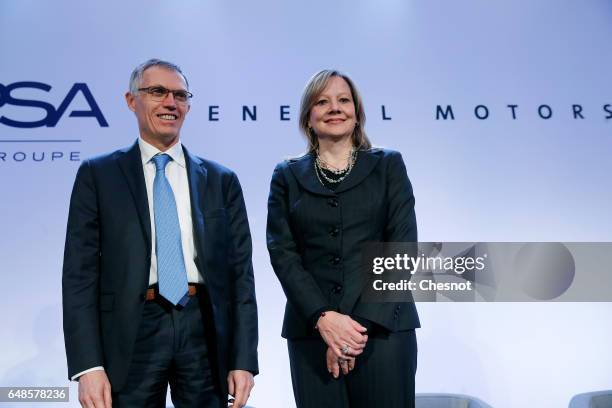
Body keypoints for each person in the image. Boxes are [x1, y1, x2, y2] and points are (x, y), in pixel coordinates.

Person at [62, 59, 258, 408]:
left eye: (180, 95)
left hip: (204, 330)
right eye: (158, 92)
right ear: (131, 100)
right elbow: (79, 276)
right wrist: (87, 365)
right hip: (130, 331)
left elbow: (241, 275)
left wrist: (244, 359)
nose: (171, 102)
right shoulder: (98, 175)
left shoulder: (220, 179)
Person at [266, 69, 420, 407]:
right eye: (322, 101)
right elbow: (283, 253)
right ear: (308, 117)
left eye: (343, 100)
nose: (334, 108)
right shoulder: (286, 175)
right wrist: (325, 319)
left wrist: (352, 334)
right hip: (312, 334)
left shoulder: (388, 165)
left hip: (382, 329)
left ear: (357, 113)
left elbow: (402, 249)